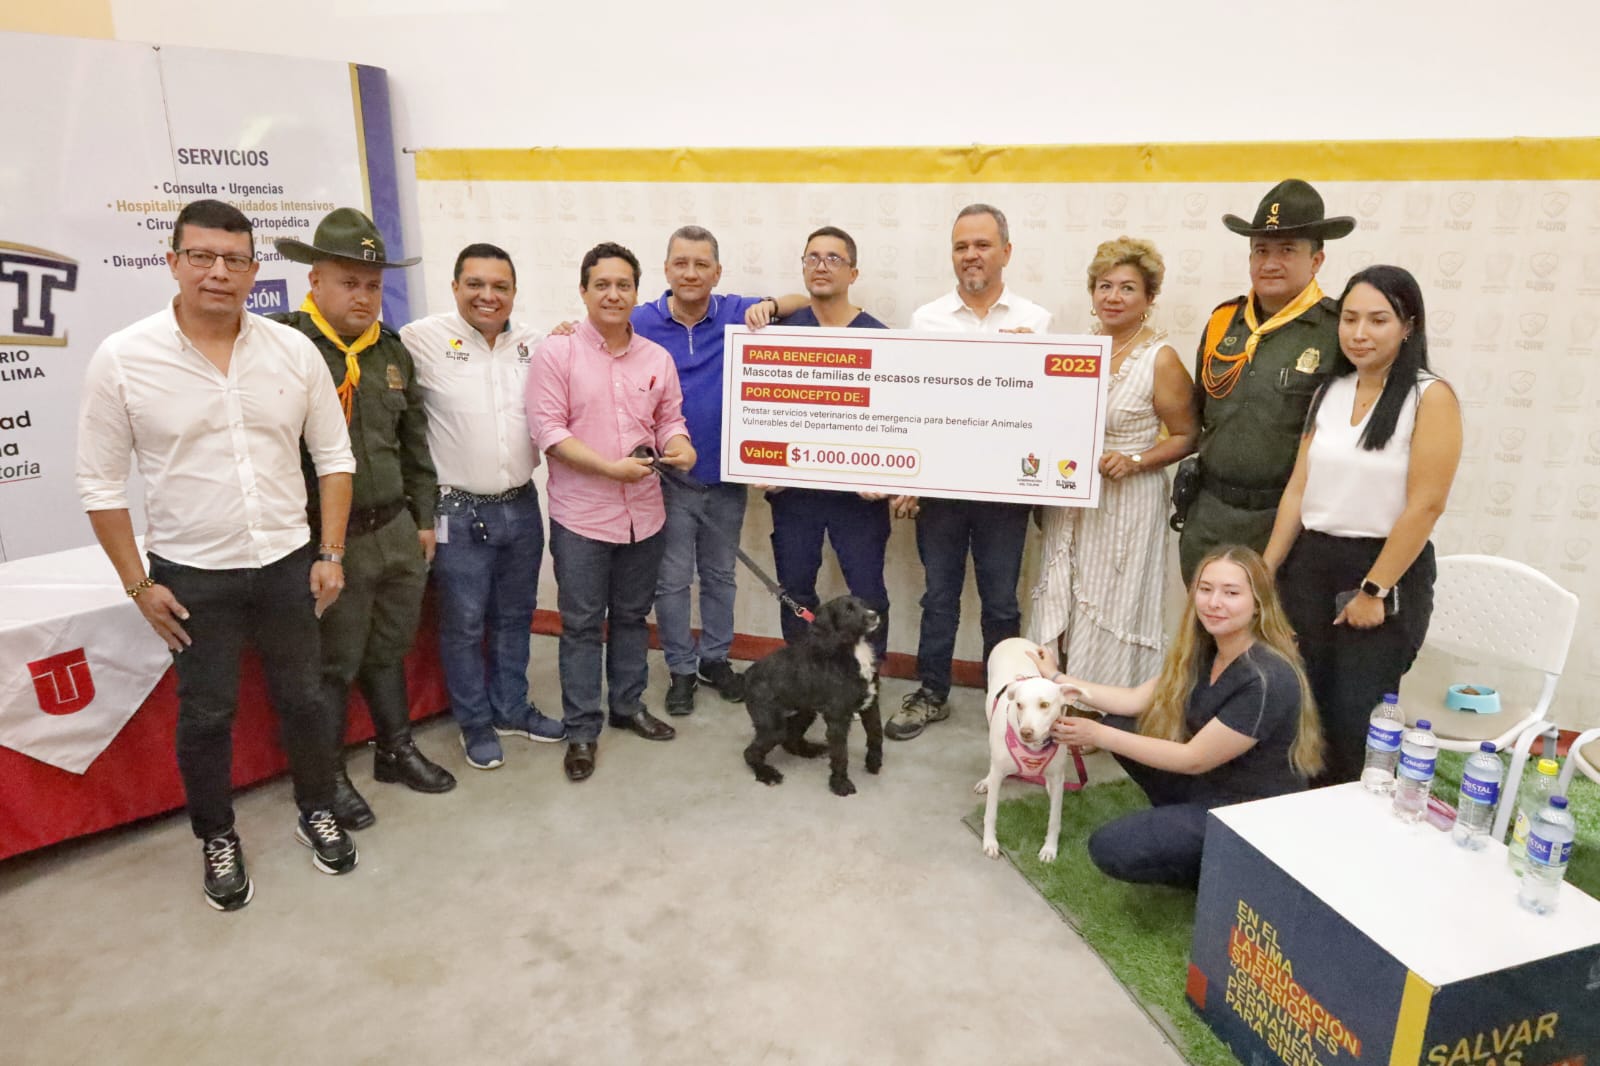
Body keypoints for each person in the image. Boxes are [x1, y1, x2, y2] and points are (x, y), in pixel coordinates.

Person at [75, 199, 359, 911]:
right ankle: (217, 835)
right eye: (201, 256)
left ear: (254, 270)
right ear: (173, 262)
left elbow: (334, 457)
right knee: (206, 715)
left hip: (288, 562)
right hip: (192, 574)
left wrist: (330, 552)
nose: (218, 273)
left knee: (305, 698)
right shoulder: (124, 358)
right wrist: (138, 585)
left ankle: (316, 808)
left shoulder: (292, 351)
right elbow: (99, 485)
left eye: (234, 260)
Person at [272, 208, 455, 828]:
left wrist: (423, 518)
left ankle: (395, 750)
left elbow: (413, 443)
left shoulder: (389, 352)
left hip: (395, 530)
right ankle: (327, 778)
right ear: (315, 280)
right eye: (349, 282)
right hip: (329, 540)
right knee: (332, 664)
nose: (363, 297)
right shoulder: (284, 348)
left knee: (388, 648)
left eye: (373, 285)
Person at [1264, 266, 1462, 784]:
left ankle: (1350, 816)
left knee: (1355, 718)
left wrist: (1375, 590)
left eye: (1377, 320)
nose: (1359, 333)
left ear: (1408, 326)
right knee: (1300, 706)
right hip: (1310, 565)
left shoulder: (1431, 397)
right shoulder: (1329, 390)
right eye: (1349, 319)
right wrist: (1266, 569)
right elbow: (1298, 489)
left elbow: (1426, 506)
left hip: (1382, 570)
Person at [1040, 546, 1324, 890]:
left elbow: (1193, 759)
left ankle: (1221, 873)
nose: (1214, 602)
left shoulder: (1266, 678)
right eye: (1206, 589)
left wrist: (1095, 734)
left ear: (1258, 603)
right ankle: (1181, 827)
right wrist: (1055, 678)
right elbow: (1132, 700)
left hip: (1245, 813)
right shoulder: (1208, 649)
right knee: (1118, 723)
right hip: (1209, 783)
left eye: (1231, 593)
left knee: (1108, 847)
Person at [529, 242, 695, 782]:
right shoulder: (557, 353)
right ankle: (582, 730)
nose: (613, 294)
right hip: (582, 518)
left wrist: (681, 446)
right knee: (581, 625)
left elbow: (669, 419)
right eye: (602, 284)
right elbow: (549, 431)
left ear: (636, 293)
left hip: (644, 514)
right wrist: (608, 469)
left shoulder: (656, 358)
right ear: (583, 291)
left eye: (624, 285)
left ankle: (626, 705)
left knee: (631, 617)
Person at [888, 203, 1051, 741]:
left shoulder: (1037, 321)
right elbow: (913, 405)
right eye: (961, 246)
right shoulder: (926, 320)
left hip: (1006, 492)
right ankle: (932, 692)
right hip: (941, 491)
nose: (971, 255)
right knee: (939, 597)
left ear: (1006, 251)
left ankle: (1006, 701)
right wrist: (908, 479)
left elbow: (1047, 408)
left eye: (982, 244)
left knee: (1001, 603)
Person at [401, 243, 564, 772]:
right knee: (465, 625)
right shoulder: (419, 339)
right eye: (475, 284)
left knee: (515, 617)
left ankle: (511, 708)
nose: (487, 296)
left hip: (521, 505)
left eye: (500, 286)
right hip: (456, 512)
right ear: (455, 287)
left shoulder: (536, 344)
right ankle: (474, 722)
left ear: (514, 292)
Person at [631, 227, 807, 715]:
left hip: (726, 479)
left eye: (701, 264)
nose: (691, 273)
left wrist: (770, 305)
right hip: (668, 480)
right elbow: (595, 337)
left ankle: (714, 659)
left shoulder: (735, 311)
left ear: (717, 272)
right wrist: (567, 329)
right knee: (672, 581)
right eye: (681, 263)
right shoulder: (641, 320)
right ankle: (681, 669)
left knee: (719, 576)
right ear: (666, 269)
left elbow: (801, 301)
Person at [1028, 237, 1196, 692]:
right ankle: (1054, 697)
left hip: (1128, 500)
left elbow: (1188, 435)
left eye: (1127, 288)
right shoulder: (1080, 349)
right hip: (1071, 498)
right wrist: (1027, 357)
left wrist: (1136, 460)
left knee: (1112, 602)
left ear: (1149, 297)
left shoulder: (1160, 358)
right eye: (1104, 286)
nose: (1113, 297)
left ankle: (1107, 705)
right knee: (1062, 593)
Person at [1178, 179, 1355, 584]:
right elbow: (1200, 414)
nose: (1270, 263)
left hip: (1289, 523)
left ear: (1316, 260)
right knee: (1206, 620)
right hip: (1210, 515)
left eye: (1287, 250)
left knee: (1277, 625)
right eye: (1261, 250)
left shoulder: (1335, 332)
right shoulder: (1224, 322)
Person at [764, 226, 891, 669]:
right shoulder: (777, 335)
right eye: (812, 257)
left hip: (858, 498)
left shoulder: (881, 338)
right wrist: (760, 463)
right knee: (796, 590)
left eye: (834, 258)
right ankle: (806, 677)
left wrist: (888, 478)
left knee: (868, 595)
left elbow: (895, 421)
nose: (821, 265)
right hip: (794, 494)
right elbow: (763, 409)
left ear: (853, 273)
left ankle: (866, 680)